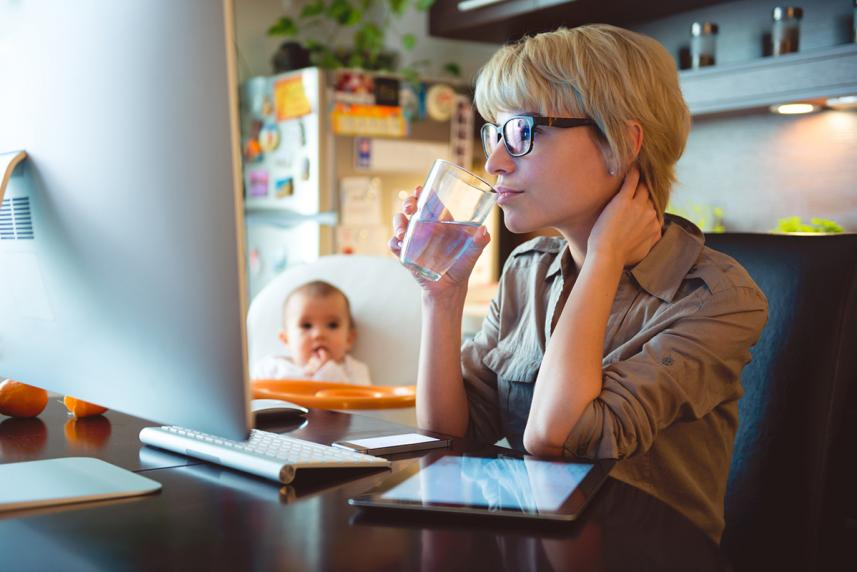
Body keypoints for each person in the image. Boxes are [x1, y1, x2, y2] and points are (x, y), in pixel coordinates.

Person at [389, 25, 768, 543]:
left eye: (522, 132)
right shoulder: (527, 269)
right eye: (492, 135)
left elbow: (555, 439)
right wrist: (442, 295)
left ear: (621, 144)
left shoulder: (716, 298)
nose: (495, 162)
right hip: (537, 547)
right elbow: (446, 436)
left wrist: (605, 258)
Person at [251, 280, 371, 385]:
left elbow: (364, 407)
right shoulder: (271, 369)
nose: (319, 334)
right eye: (306, 325)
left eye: (332, 325)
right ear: (286, 339)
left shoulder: (353, 371)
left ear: (349, 339)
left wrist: (328, 372)